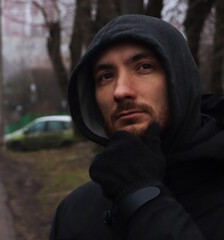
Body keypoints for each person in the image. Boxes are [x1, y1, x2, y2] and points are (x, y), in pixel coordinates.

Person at [49, 14, 224, 239]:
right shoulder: (75, 211)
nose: (120, 91)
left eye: (144, 67)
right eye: (106, 76)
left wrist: (143, 198)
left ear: (179, 79)